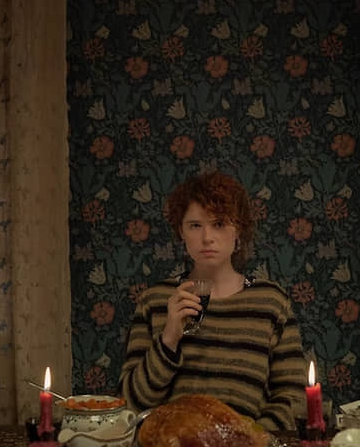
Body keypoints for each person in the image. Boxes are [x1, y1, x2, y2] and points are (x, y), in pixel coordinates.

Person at [119, 171, 306, 431]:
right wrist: (169, 340)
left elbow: (294, 399)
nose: (207, 237)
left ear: (238, 230)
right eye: (195, 225)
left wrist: (248, 437)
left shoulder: (271, 302)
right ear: (181, 232)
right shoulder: (155, 300)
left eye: (219, 224)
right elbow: (129, 405)